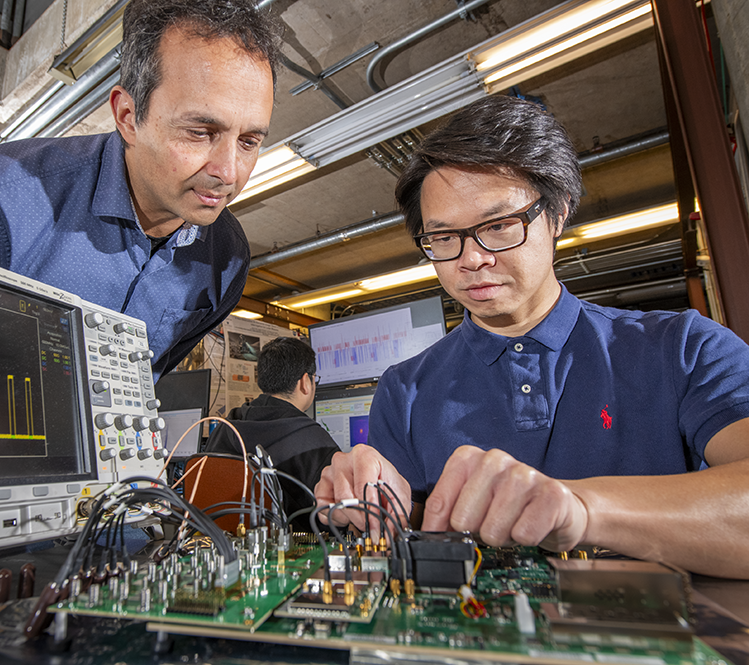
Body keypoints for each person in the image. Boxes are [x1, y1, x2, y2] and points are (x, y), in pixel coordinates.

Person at [314, 95, 749, 579]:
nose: (471, 258)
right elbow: (414, 540)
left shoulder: (685, 348)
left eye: (499, 226)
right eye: (443, 238)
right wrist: (385, 511)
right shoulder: (404, 389)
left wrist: (578, 510)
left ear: (558, 212)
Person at [0, 0, 281, 381]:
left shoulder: (227, 259)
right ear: (128, 117)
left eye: (249, 141)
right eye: (199, 132)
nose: (229, 172)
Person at [206, 336, 341, 529]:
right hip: (293, 555)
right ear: (305, 382)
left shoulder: (225, 427)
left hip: (219, 550)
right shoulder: (313, 440)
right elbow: (335, 519)